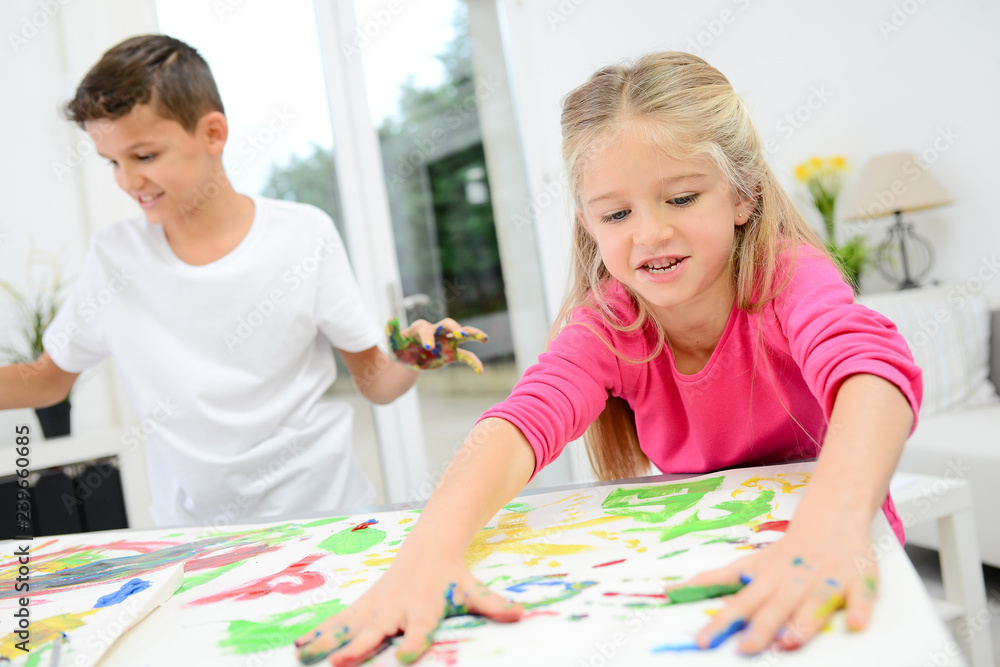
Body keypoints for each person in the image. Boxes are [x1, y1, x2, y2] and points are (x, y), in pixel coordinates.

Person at [295, 51, 922, 665]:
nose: (648, 234)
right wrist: (427, 556)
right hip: (698, 564)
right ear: (589, 224)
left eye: (681, 199)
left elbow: (873, 372)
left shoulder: (787, 276)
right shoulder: (610, 323)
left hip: (839, 549)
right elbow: (520, 424)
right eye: (617, 213)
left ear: (742, 197)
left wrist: (831, 527)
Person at [0, 35, 486, 528]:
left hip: (327, 520)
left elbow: (376, 382)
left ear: (212, 134)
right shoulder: (114, 258)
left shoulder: (303, 234)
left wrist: (412, 357)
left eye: (144, 156)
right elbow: (46, 380)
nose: (127, 181)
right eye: (113, 162)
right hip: (196, 541)